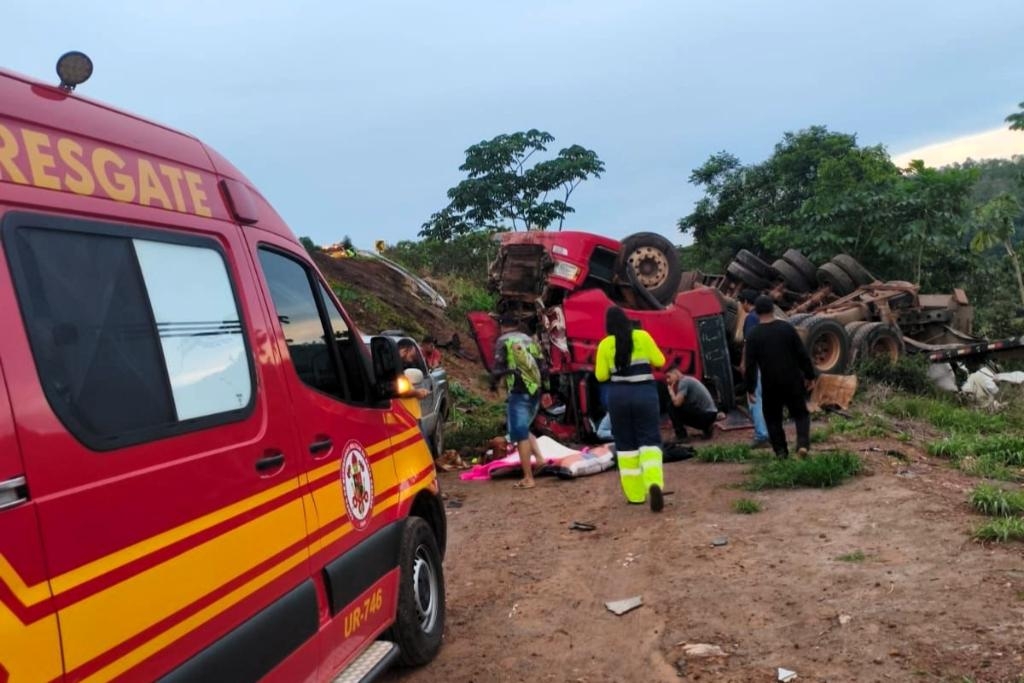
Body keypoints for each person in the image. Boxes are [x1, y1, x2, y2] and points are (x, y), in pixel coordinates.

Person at [595, 306, 667, 512]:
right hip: (644, 394)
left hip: (618, 397)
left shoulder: (605, 344)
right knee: (650, 440)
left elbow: (600, 376)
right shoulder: (642, 336)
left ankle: (635, 495)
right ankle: (653, 482)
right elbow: (660, 361)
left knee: (625, 445)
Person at [743, 295, 816, 459]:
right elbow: (802, 354)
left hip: (770, 383)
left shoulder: (754, 335)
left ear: (756, 312)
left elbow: (750, 365)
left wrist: (750, 388)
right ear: (773, 309)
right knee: (801, 413)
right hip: (792, 379)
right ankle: (802, 444)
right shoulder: (787, 328)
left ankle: (781, 452)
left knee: (773, 419)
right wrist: (810, 376)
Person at [490, 314, 547, 489]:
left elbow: (497, 368)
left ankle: (528, 478)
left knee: (520, 434)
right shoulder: (529, 340)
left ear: (502, 326)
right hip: (535, 390)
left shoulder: (503, 341)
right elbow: (543, 366)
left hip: (518, 391)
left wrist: (493, 383)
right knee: (523, 427)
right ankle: (539, 459)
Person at [738, 289, 770, 449]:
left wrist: (744, 363)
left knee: (754, 399)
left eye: (741, 303)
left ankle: (761, 435)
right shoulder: (765, 317)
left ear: (745, 302)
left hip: (756, 364)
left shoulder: (751, 318)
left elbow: (748, 343)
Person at [665, 367, 720, 440]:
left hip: (706, 416)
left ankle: (681, 436)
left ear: (675, 373)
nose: (668, 380)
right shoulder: (687, 380)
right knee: (679, 406)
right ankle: (707, 429)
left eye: (669, 377)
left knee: (671, 406)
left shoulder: (684, 382)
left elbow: (677, 404)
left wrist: (671, 392)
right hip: (710, 415)